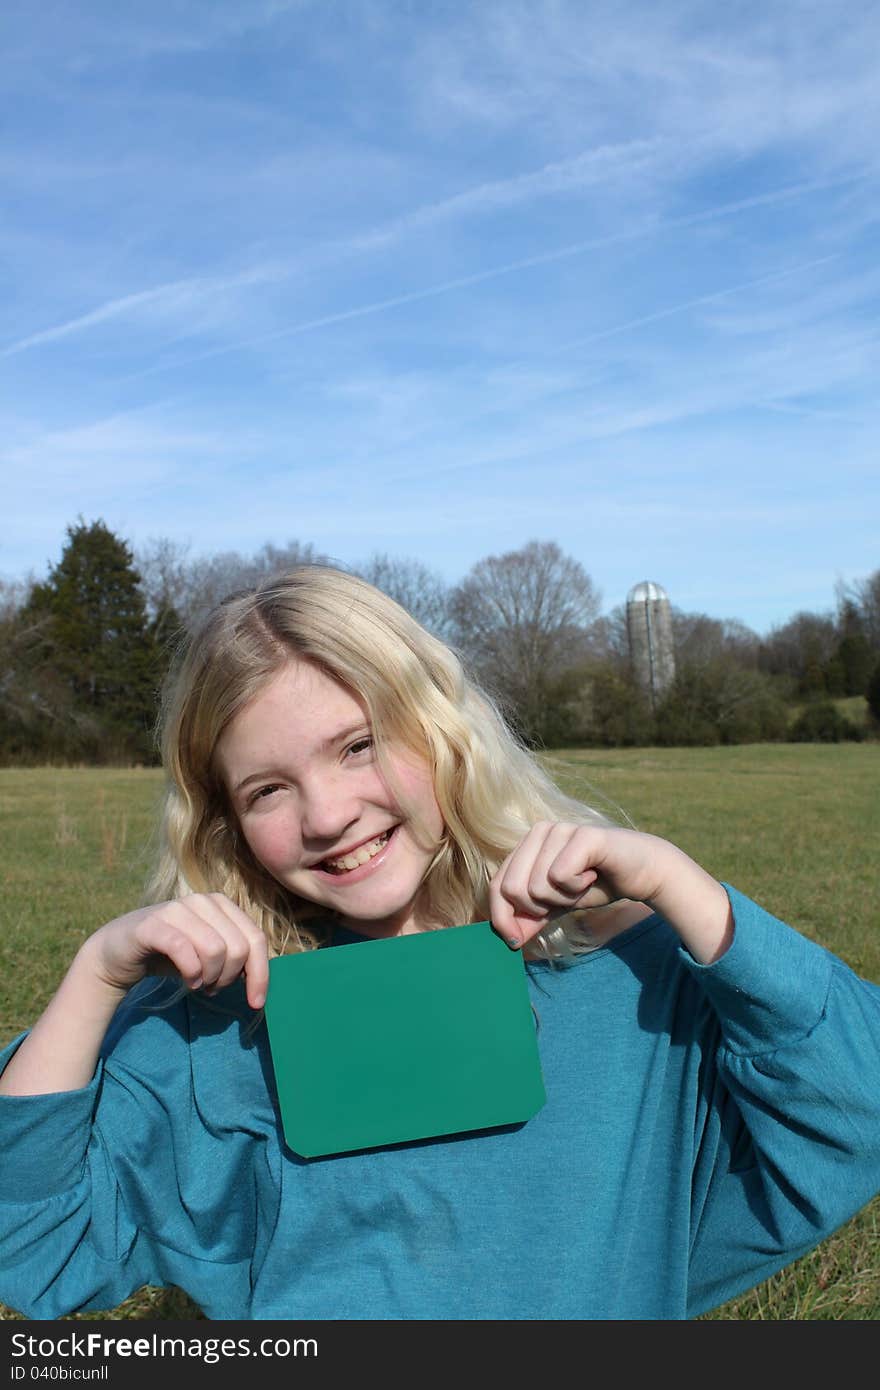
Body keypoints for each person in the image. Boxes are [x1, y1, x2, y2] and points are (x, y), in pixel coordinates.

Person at [1, 564, 879, 1322]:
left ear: (440, 727)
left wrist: (682, 889)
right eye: (268, 789)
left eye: (358, 745)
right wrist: (98, 973)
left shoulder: (632, 980)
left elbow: (855, 1110)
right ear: (226, 823)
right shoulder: (225, 1024)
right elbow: (33, 1241)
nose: (329, 816)